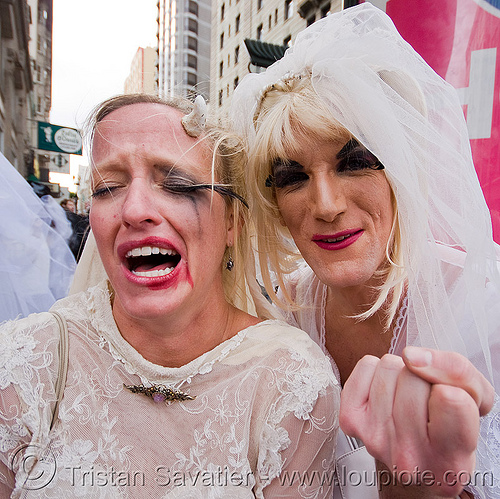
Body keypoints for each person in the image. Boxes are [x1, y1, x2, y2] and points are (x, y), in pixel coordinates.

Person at [0, 94, 340, 498]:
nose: (134, 209)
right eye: (109, 187)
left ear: (233, 221)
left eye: (177, 184)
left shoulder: (290, 384)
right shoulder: (23, 364)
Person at [231, 4, 499, 498]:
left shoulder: (489, 311)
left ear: (400, 169)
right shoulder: (273, 319)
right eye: (293, 178)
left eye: (355, 162)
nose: (327, 205)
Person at [0, 152, 76, 322]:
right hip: (36, 293)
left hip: (32, 295)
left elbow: (17, 262)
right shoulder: (38, 236)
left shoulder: (30, 239)